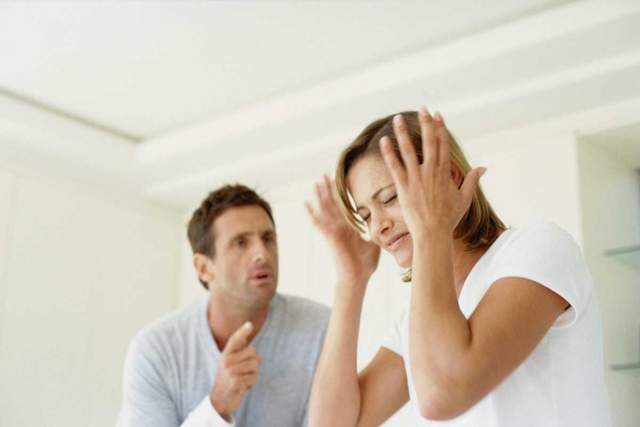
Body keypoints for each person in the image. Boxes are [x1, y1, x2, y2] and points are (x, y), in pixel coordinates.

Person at [305, 108, 610, 426]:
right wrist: (351, 280)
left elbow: (441, 396)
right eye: (366, 215)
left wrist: (431, 230)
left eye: (390, 198)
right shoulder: (414, 321)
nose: (378, 226)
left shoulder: (536, 248)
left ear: (449, 178)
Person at [119, 184, 330, 427]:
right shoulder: (155, 350)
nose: (262, 254)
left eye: (267, 238)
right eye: (241, 242)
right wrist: (218, 406)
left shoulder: (321, 328)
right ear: (203, 268)